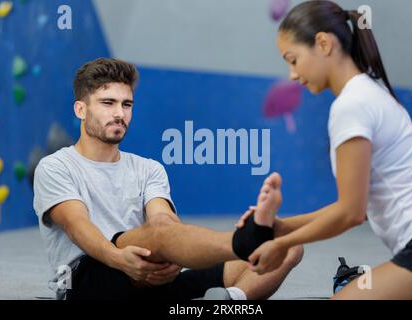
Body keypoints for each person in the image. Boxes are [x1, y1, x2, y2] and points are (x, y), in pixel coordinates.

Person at [33, 58, 303, 300]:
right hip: (89, 278)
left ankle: (229, 301)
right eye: (108, 103)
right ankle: (243, 242)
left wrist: (176, 252)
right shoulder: (55, 166)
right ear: (80, 110)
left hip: (148, 274)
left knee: (286, 246)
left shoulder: (149, 168)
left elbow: (163, 220)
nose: (119, 113)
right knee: (160, 235)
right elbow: (76, 225)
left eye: (126, 104)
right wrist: (119, 258)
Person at [238, 0, 412, 299]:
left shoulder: (351, 105)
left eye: (292, 59)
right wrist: (282, 228)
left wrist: (280, 244)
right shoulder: (368, 91)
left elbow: (350, 213)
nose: (292, 74)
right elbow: (349, 206)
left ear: (323, 43)